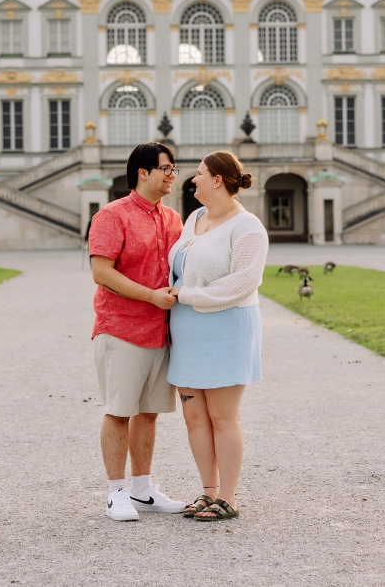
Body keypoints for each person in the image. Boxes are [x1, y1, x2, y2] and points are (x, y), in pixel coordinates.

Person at [87, 142, 187, 522]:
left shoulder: (173, 219)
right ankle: (116, 492)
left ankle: (142, 489)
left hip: (160, 331)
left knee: (148, 413)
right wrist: (150, 296)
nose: (171, 175)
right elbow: (102, 272)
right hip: (121, 328)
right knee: (118, 412)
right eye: (166, 168)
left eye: (173, 169)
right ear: (143, 172)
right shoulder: (112, 216)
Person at [167, 151, 268, 522]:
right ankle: (208, 491)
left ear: (218, 180)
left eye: (198, 173)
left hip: (226, 328)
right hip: (188, 330)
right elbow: (180, 269)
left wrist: (187, 296)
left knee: (223, 417)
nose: (191, 180)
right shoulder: (194, 218)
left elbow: (243, 283)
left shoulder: (248, 228)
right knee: (195, 418)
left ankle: (228, 496)